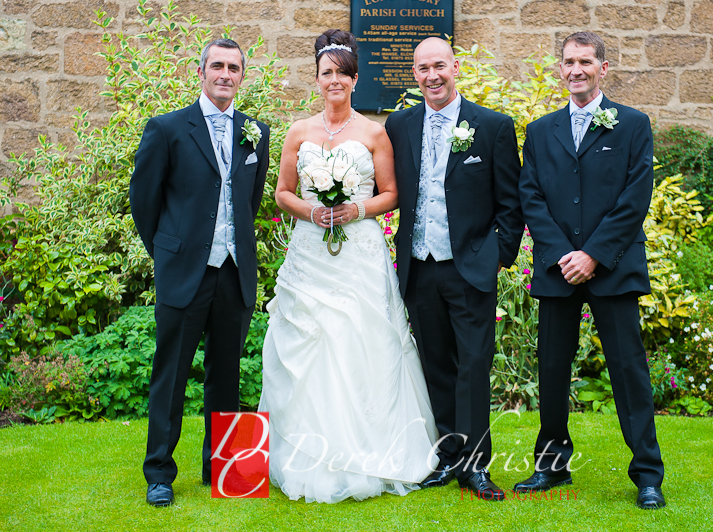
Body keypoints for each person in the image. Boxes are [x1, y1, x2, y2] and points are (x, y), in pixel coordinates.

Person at [258, 29, 439, 504]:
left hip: (357, 251)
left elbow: (392, 193)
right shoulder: (298, 132)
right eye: (326, 73)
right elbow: (282, 193)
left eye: (341, 73)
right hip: (311, 253)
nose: (333, 80)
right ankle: (306, 453)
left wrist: (354, 210)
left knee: (363, 340)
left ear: (354, 80)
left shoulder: (374, 132)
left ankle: (373, 448)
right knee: (309, 344)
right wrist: (312, 212)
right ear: (316, 79)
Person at [516, 31, 665, 509]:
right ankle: (552, 466)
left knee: (628, 372)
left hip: (613, 267)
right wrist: (564, 254)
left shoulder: (633, 124)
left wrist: (594, 255)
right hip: (559, 267)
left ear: (603, 67)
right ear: (559, 69)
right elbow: (531, 197)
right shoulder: (540, 131)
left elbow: (633, 198)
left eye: (585, 61)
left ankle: (647, 474)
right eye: (568, 62)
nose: (575, 69)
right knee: (553, 370)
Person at [130, 38, 270, 507]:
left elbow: (248, 203)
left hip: (233, 271)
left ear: (241, 75)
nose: (225, 74)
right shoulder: (167, 129)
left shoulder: (255, 132)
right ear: (201, 72)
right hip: (184, 269)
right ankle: (160, 473)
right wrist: (169, 252)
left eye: (234, 67)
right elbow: (144, 202)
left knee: (225, 374)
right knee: (170, 373)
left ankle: (221, 465)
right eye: (217, 66)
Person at [384, 37, 522, 501]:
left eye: (439, 66)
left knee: (474, 365)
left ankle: (476, 466)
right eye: (423, 68)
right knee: (436, 364)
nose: (432, 76)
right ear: (415, 74)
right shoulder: (399, 125)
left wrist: (496, 256)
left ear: (455, 67)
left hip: (469, 267)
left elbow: (510, 202)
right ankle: (447, 458)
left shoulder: (492, 126)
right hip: (420, 266)